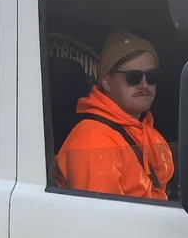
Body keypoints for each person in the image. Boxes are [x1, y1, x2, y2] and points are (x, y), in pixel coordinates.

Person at [55, 30, 175, 200]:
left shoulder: (150, 134)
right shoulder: (93, 140)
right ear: (106, 82)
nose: (144, 85)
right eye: (133, 77)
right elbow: (102, 219)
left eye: (152, 77)